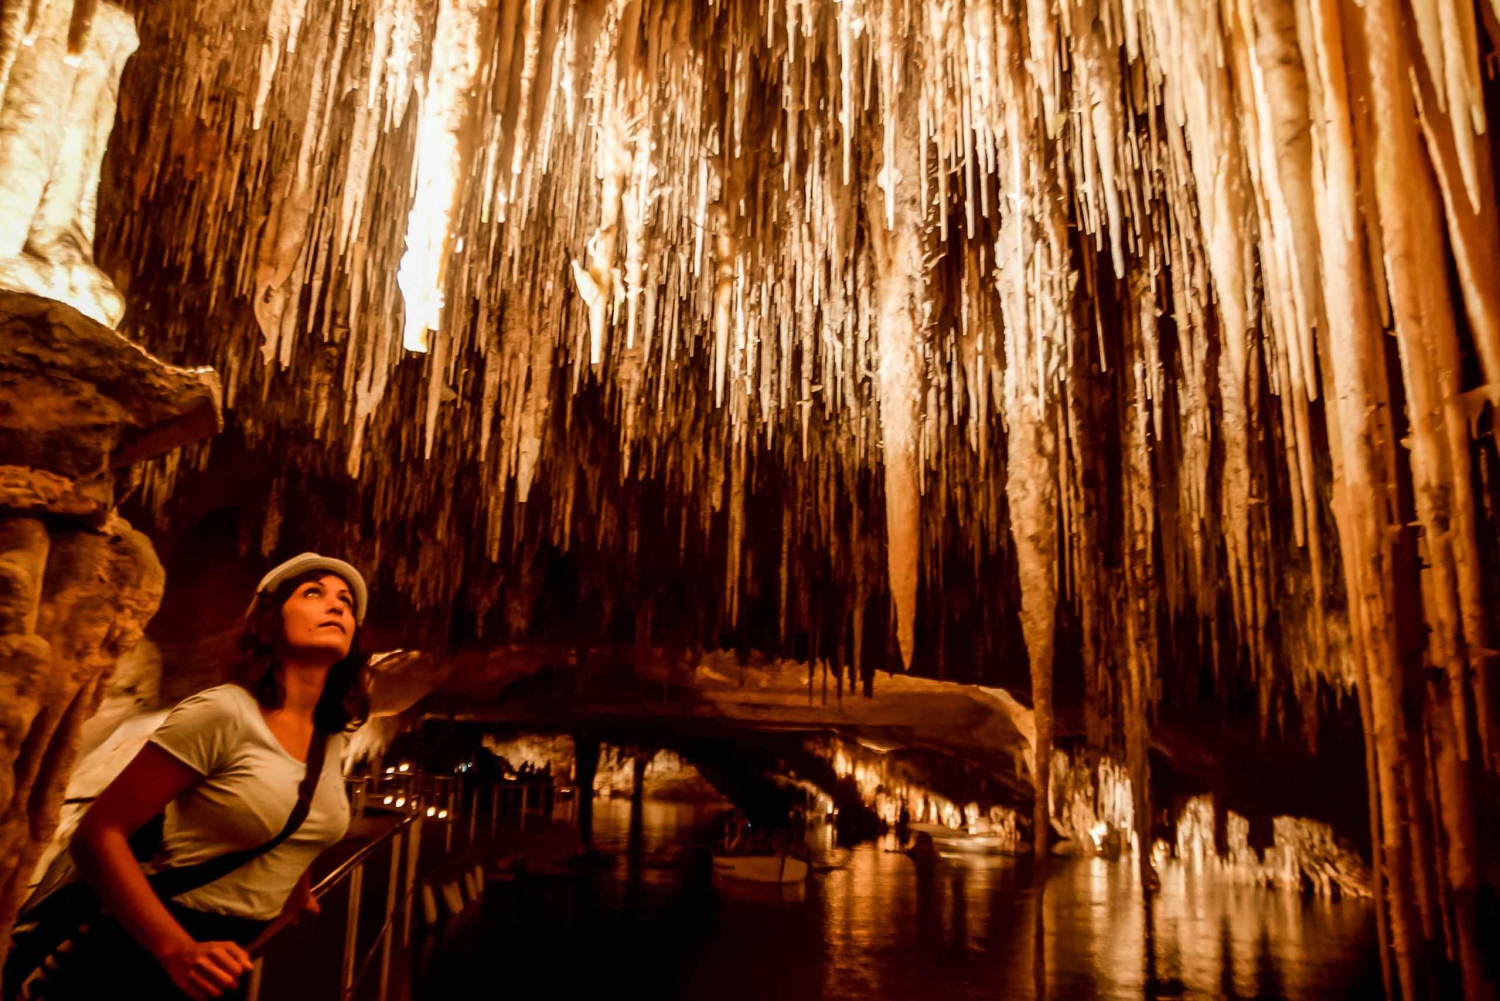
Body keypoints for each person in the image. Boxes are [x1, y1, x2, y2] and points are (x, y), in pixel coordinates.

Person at [48, 553, 370, 1000]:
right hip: (149, 951)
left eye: (346, 601)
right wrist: (177, 949)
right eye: (313, 593)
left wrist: (295, 887)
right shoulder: (223, 713)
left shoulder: (330, 737)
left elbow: (289, 814)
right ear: (270, 621)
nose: (336, 605)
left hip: (232, 959)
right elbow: (97, 834)